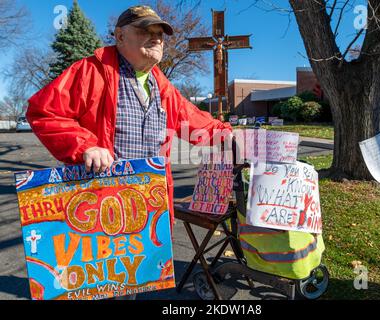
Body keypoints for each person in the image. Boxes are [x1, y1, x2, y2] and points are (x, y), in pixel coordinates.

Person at [26, 5, 232, 299]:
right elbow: (43, 111)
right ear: (120, 35)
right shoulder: (91, 71)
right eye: (145, 31)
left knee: (133, 289)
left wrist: (230, 136)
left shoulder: (159, 83)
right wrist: (85, 145)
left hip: (147, 211)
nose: (156, 38)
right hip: (99, 209)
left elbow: (193, 121)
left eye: (159, 33)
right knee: (101, 289)